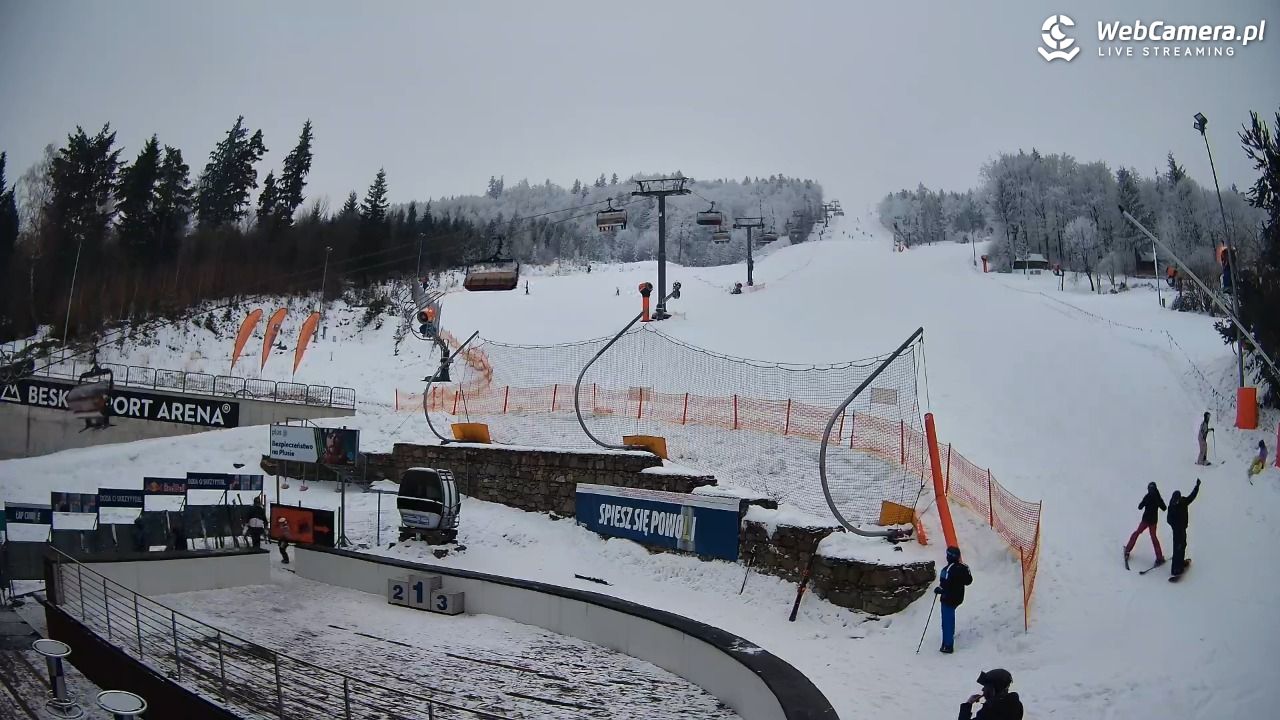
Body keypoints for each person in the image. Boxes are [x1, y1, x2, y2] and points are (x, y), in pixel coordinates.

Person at [935, 545, 972, 654]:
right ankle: (950, 636)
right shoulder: (964, 567)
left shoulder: (946, 570)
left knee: (947, 621)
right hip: (959, 598)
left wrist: (939, 590)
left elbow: (943, 585)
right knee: (950, 617)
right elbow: (969, 581)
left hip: (948, 598)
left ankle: (947, 645)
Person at [1124, 482, 1165, 567]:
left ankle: (1128, 550)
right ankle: (1159, 558)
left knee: (1137, 533)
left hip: (1146, 520)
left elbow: (1140, 507)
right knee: (1153, 538)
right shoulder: (1156, 497)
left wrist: (1146, 502)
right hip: (1152, 521)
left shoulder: (1149, 496)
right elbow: (1164, 508)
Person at [1167, 479, 1201, 577]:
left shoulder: (1183, 501)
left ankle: (1181, 563)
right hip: (1177, 531)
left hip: (1182, 529)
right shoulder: (1172, 506)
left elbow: (1192, 496)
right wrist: (1176, 526)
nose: (1177, 502)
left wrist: (1197, 487)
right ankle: (1175, 569)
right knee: (1177, 548)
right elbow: (1168, 520)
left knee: (1183, 545)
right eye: (1175, 500)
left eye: (1178, 500)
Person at [959, 668, 1023, 719]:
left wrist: (968, 704)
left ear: (993, 689)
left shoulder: (988, 713)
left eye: (986, 686)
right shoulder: (1016, 705)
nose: (983, 689)